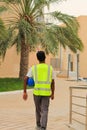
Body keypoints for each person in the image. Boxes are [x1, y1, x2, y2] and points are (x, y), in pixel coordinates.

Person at [23, 51, 55, 130]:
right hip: (46, 93)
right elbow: (53, 82)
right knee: (45, 110)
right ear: (45, 57)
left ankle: (38, 125)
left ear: (37, 59)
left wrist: (25, 92)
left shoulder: (34, 68)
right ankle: (43, 127)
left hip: (36, 93)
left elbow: (25, 79)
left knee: (38, 110)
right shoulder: (50, 68)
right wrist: (53, 93)